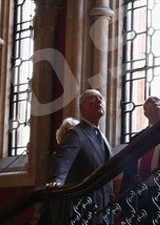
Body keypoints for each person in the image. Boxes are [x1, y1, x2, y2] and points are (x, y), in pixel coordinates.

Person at [45, 89, 114, 225]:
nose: (99, 100)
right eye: (93, 98)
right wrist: (57, 181)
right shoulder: (76, 134)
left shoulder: (103, 137)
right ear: (82, 107)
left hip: (104, 208)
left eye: (101, 98)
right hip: (84, 208)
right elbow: (63, 160)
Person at [119, 97, 160, 222]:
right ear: (145, 113)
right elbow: (128, 171)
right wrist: (123, 204)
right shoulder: (138, 138)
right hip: (141, 196)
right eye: (150, 102)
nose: (154, 101)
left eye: (158, 100)